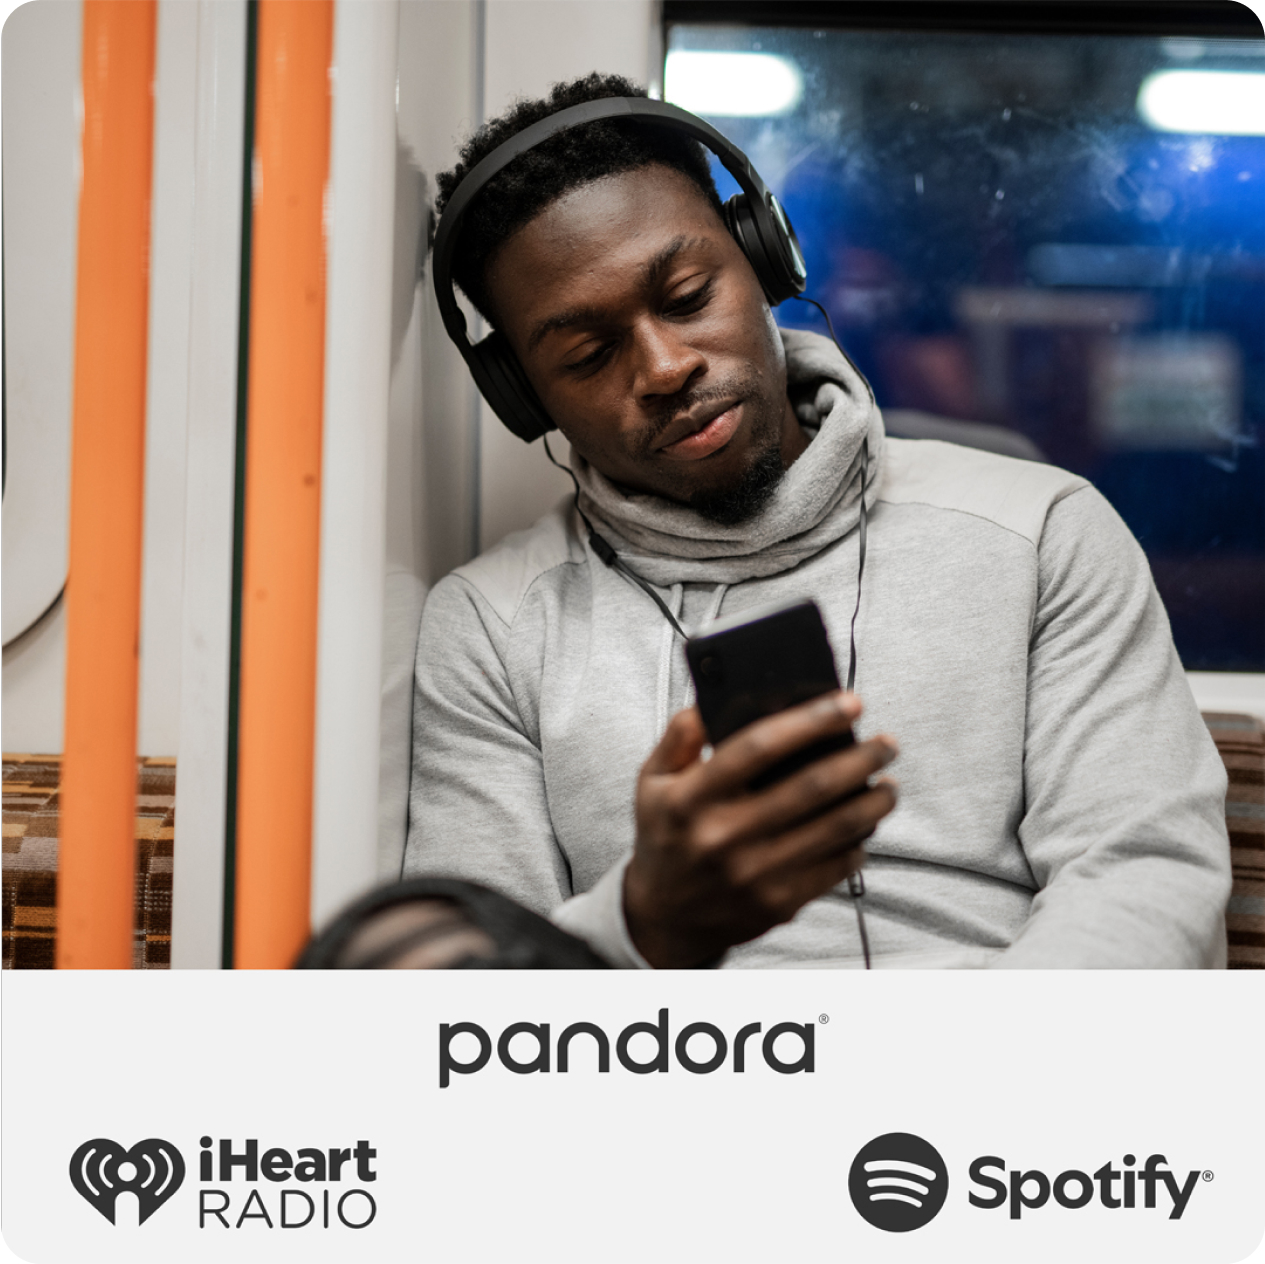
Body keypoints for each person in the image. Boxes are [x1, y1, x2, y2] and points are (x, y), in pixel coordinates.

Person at [402, 73, 1231, 969]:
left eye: (686, 297)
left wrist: (949, 1096)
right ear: (524, 397)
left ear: (764, 261)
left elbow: (1143, 885)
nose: (664, 366)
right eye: (588, 354)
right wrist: (642, 924)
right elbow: (466, 994)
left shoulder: (1039, 532)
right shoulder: (491, 627)